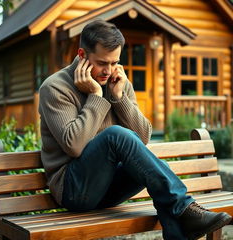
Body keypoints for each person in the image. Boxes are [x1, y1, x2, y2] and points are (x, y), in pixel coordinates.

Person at [39, 19, 232, 240]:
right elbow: (74, 146)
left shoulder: (117, 82)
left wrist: (119, 98)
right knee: (116, 136)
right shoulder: (55, 88)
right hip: (74, 191)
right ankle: (185, 209)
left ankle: (181, 220)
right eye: (102, 63)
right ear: (82, 55)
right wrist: (96, 97)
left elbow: (142, 138)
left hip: (109, 189)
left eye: (114, 62)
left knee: (153, 168)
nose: (108, 70)